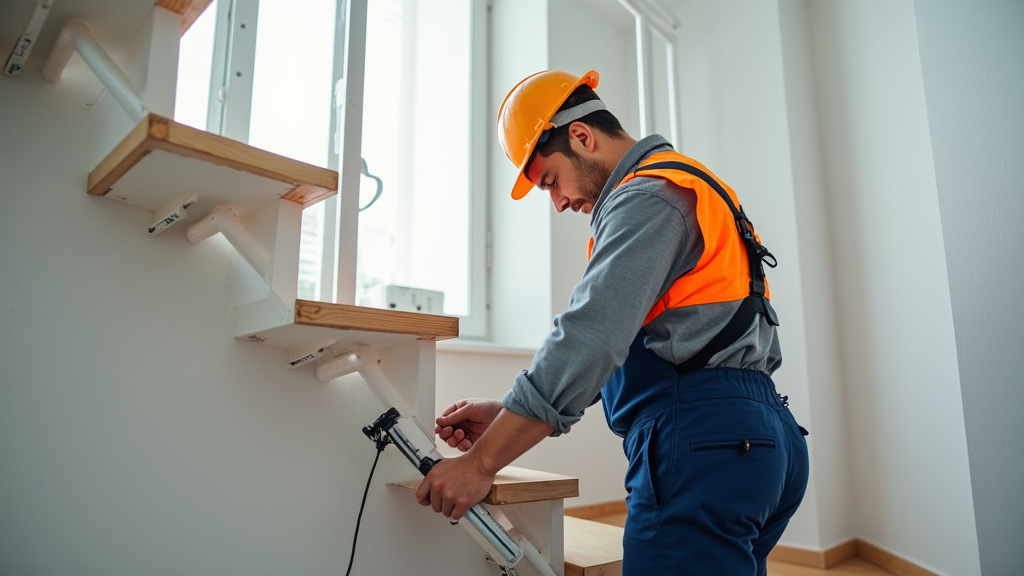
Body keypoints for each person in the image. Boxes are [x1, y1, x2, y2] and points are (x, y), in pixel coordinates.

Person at [414, 69, 809, 575]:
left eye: (551, 180)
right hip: (758, 438)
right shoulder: (687, 186)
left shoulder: (647, 196)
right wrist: (508, 412)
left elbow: (589, 340)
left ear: (581, 135)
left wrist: (479, 463)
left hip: (703, 442)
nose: (558, 203)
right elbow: (660, 342)